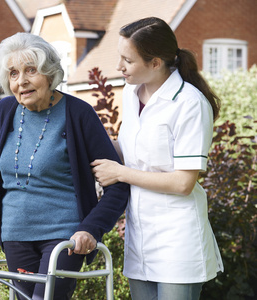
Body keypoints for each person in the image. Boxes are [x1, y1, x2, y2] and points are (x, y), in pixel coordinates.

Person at [0, 32, 129, 300]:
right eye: (13, 73)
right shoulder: (5, 110)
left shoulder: (78, 114)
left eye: (30, 70)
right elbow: (15, 178)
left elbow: (117, 185)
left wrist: (91, 229)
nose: (21, 81)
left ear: (49, 73)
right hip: (15, 234)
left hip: (64, 237)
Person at [91, 17, 224, 300]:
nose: (119, 67)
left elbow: (183, 183)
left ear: (155, 63)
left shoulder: (190, 103)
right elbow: (132, 152)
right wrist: (83, 143)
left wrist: (121, 173)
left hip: (177, 239)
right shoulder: (131, 93)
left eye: (128, 60)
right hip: (140, 237)